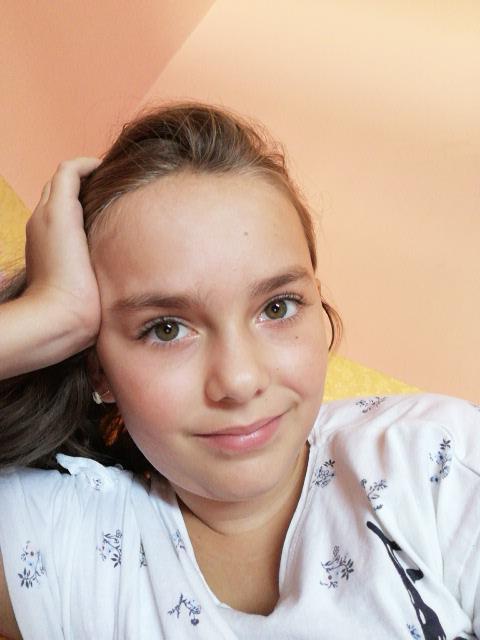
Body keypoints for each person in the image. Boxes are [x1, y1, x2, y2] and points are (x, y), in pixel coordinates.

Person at [0, 102, 478, 640]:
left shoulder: (437, 462)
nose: (240, 380)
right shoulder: (59, 543)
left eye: (277, 307)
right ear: (98, 369)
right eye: (166, 329)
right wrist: (49, 314)